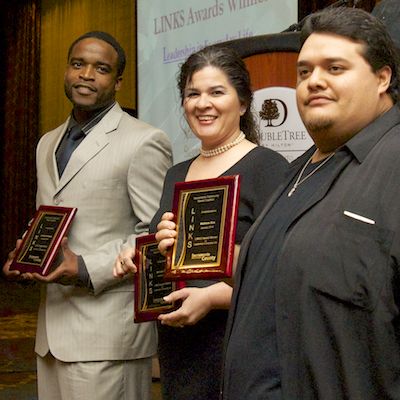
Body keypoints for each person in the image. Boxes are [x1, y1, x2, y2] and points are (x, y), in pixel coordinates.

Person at [220, 7, 400, 400]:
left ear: (382, 78)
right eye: (304, 72)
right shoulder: (300, 168)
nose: (314, 82)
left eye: (334, 68)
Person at [2, 31, 172, 400]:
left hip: (109, 337)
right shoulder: (47, 142)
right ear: (67, 70)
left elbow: (156, 238)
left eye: (101, 68)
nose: (86, 75)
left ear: (118, 81)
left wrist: (83, 267)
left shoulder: (144, 140)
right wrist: (30, 260)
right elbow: (51, 222)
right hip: (50, 336)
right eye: (78, 64)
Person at [114, 45, 288, 399]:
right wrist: (137, 254)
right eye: (193, 93)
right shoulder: (176, 173)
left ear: (242, 103)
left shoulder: (268, 168)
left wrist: (214, 297)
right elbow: (167, 254)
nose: (202, 103)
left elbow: (282, 267)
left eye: (216, 92)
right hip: (179, 346)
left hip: (237, 344)